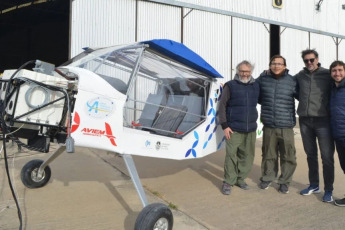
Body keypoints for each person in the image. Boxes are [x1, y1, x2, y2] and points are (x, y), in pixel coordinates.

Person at [296, 49, 335, 203]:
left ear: (317, 59)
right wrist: (268, 73)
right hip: (305, 121)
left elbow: (340, 81)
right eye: (306, 60)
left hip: (323, 121)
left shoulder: (327, 74)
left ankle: (329, 190)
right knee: (310, 155)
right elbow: (286, 81)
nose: (309, 63)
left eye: (312, 59)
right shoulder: (300, 76)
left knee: (326, 157)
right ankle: (314, 185)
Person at [257, 55, 297, 194]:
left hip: (286, 125)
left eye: (279, 63)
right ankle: (268, 177)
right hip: (269, 125)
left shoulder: (292, 81)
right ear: (270, 65)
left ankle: (284, 181)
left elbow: (304, 96)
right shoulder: (263, 80)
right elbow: (251, 90)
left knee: (288, 155)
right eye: (273, 63)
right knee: (269, 154)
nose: (276, 66)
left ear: (284, 66)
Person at [219, 60, 260, 195]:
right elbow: (222, 106)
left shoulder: (256, 86)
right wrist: (225, 126)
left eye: (247, 71)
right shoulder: (230, 86)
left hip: (250, 128)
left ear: (251, 72)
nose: (244, 74)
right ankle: (228, 181)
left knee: (247, 156)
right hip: (233, 128)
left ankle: (240, 179)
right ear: (237, 71)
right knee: (231, 156)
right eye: (242, 71)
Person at [329, 60, 345, 206]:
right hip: (338, 134)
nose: (337, 73)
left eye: (340, 70)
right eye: (334, 70)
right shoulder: (333, 89)